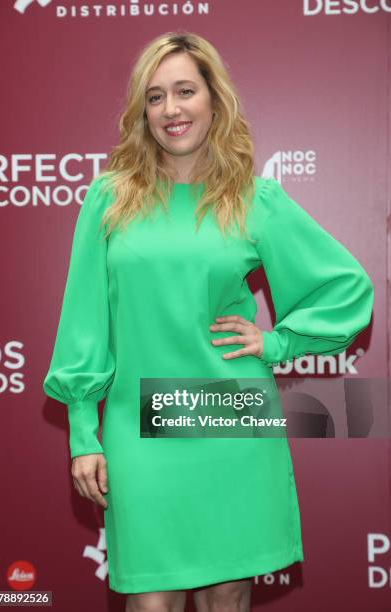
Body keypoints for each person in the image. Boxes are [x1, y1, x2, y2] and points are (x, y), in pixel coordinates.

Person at [43, 31, 374, 612]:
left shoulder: (253, 198)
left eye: (185, 91)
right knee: (151, 601)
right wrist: (81, 432)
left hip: (229, 414)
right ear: (142, 112)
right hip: (136, 425)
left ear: (214, 102)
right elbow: (84, 323)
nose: (171, 109)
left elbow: (347, 287)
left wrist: (278, 342)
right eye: (155, 97)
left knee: (228, 596)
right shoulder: (109, 198)